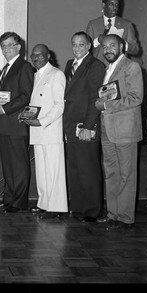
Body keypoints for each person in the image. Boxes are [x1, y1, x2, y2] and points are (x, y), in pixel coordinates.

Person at [95, 34, 143, 230]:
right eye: (105, 47)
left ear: (122, 46)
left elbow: (135, 97)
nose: (108, 50)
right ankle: (113, 213)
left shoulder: (131, 67)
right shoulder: (108, 69)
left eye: (112, 46)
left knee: (126, 175)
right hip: (108, 129)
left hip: (125, 130)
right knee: (111, 173)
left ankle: (125, 217)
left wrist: (105, 105)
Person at [63, 32, 106, 222]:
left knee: (88, 168)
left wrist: (88, 126)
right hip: (70, 124)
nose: (77, 48)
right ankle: (79, 207)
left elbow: (94, 99)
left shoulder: (96, 65)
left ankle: (92, 210)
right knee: (75, 168)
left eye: (81, 44)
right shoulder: (69, 64)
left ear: (89, 45)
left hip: (86, 125)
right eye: (74, 44)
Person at [23, 44, 67, 219]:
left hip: (49, 129)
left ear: (48, 56)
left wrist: (41, 121)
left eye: (40, 55)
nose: (36, 58)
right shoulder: (35, 76)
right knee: (41, 170)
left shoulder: (57, 74)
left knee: (53, 170)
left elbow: (59, 105)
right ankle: (44, 203)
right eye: (33, 55)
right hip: (37, 130)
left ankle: (56, 207)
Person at [0, 32, 35, 213]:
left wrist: (4, 109)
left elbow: (26, 95)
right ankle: (9, 198)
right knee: (8, 164)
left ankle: (19, 201)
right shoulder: (5, 68)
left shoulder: (24, 67)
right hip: (4, 125)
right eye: (3, 46)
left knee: (18, 165)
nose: (6, 49)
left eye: (10, 45)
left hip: (17, 124)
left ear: (18, 47)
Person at [86, 0, 140, 65]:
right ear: (104, 5)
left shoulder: (127, 25)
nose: (115, 7)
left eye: (116, 5)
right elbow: (85, 50)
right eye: (111, 4)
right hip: (98, 69)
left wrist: (123, 43)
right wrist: (98, 41)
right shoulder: (92, 25)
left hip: (120, 69)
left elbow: (135, 49)